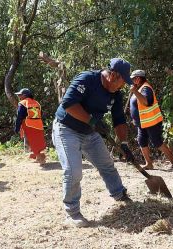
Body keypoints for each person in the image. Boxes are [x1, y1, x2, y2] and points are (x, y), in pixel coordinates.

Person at [52, 58, 135, 228]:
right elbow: (68, 104)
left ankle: (119, 194)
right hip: (67, 128)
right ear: (113, 75)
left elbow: (119, 120)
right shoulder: (87, 79)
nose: (123, 86)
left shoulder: (116, 94)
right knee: (73, 171)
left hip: (90, 132)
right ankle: (72, 213)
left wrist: (124, 144)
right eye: (122, 82)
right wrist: (91, 121)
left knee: (107, 164)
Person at [129, 69, 173, 170]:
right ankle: (149, 164)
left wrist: (134, 91)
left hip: (151, 121)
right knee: (141, 141)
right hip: (142, 122)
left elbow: (147, 102)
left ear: (138, 78)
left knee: (157, 142)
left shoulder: (146, 88)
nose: (132, 81)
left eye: (133, 79)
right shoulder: (139, 88)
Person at [14, 88, 46, 164]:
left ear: (24, 95)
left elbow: (19, 117)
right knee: (37, 142)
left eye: (20, 95)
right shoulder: (37, 103)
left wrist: (17, 127)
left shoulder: (22, 103)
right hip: (38, 125)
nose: (19, 96)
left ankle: (41, 159)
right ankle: (38, 157)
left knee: (31, 142)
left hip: (29, 125)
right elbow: (41, 114)